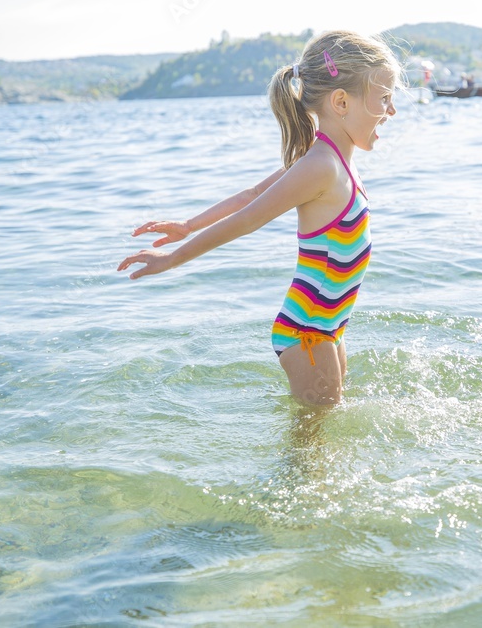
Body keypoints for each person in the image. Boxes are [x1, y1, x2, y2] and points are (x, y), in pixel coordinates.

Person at [117, 30, 403, 406]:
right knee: (312, 436)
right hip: (308, 330)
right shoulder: (321, 166)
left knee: (322, 428)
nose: (392, 111)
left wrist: (188, 225)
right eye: (384, 99)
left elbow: (252, 194)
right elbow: (249, 217)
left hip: (327, 325)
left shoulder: (333, 161)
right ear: (341, 102)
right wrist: (173, 257)